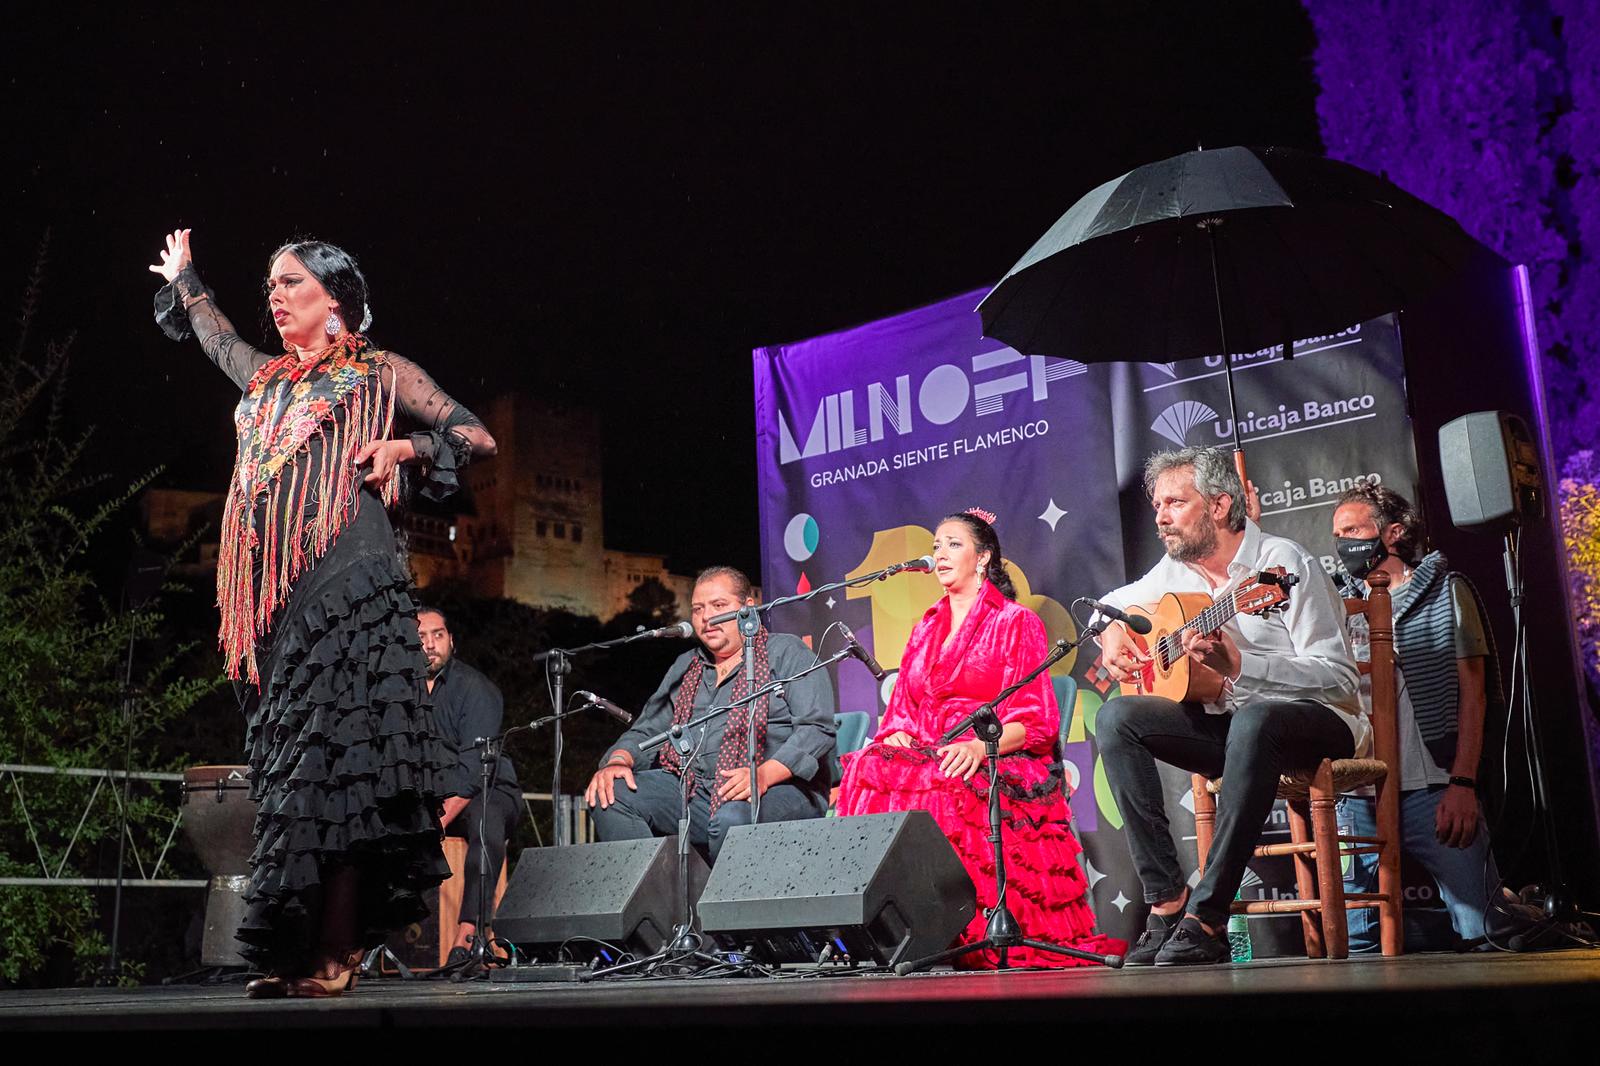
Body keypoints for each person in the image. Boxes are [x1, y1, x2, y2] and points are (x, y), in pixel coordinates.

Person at [148, 229, 497, 997]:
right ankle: (297, 950)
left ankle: (336, 955)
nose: (275, 293)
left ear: (334, 300)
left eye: (291, 282)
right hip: (277, 603)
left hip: (350, 584)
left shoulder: (377, 369)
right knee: (291, 783)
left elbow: (474, 434)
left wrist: (402, 450)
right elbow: (215, 337)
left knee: (343, 773)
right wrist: (187, 279)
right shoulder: (265, 380)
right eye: (270, 283)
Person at [1095, 447, 1363, 966]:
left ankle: (1209, 917)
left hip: (1323, 725)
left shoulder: (1282, 565)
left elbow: (1338, 676)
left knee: (1257, 716)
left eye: (1175, 502)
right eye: (1156, 505)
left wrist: (1242, 668)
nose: (1160, 516)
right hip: (1240, 735)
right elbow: (1114, 601)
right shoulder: (1176, 571)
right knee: (1116, 717)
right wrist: (1112, 628)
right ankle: (1169, 904)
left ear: (1218, 506)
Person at [837, 509, 1121, 968]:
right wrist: (900, 734)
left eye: (952, 544)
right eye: (935, 545)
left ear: (983, 557)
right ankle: (889, 932)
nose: (939, 554)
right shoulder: (926, 625)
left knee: (947, 779)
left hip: (996, 751)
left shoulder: (1015, 622)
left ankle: (956, 930)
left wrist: (977, 746)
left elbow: (1037, 722)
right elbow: (902, 709)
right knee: (867, 767)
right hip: (931, 747)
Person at [1329, 483, 1506, 950]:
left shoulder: (1446, 591)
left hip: (1433, 788)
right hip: (1359, 794)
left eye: (1352, 529)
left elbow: (1475, 695)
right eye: (1337, 534)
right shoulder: (1336, 607)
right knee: (1355, 939)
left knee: (1485, 929)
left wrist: (1463, 784)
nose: (1343, 543)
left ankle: (1516, 912)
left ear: (1392, 532)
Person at [584, 566, 835, 862]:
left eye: (719, 606)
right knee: (610, 794)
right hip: (697, 790)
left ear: (747, 608)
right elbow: (647, 730)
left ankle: (725, 907)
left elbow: (817, 729)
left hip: (783, 789)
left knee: (733, 816)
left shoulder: (787, 652)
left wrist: (764, 775)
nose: (707, 618)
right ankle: (657, 904)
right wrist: (618, 761)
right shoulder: (685, 666)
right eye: (698, 609)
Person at [417, 607, 521, 965]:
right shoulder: (401, 694)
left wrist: (435, 824)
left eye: (438, 635)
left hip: (488, 790)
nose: (430, 645)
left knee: (485, 821)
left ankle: (469, 933)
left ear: (451, 641)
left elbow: (475, 770)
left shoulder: (476, 689)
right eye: (421, 638)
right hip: (433, 798)